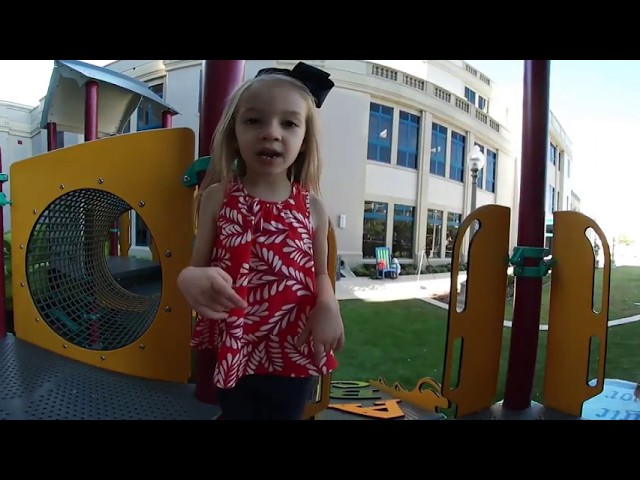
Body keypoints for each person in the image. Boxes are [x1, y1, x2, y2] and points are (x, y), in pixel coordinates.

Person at [177, 62, 345, 420]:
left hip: (293, 345)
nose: (271, 133)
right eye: (254, 120)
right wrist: (187, 278)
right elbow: (197, 266)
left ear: (303, 141)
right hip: (235, 345)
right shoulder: (217, 198)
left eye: (288, 123)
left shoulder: (313, 207)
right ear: (234, 132)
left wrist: (329, 305)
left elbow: (320, 274)